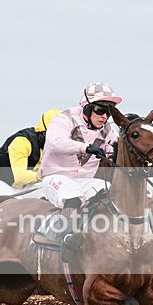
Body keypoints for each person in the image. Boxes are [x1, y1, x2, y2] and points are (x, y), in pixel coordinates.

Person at [38, 82, 121, 259]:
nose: (104, 116)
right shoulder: (63, 119)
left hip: (85, 181)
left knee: (113, 196)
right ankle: (64, 237)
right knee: (73, 197)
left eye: (109, 112)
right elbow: (55, 142)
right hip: (56, 177)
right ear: (87, 108)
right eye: (100, 110)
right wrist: (86, 148)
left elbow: (112, 152)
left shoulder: (109, 131)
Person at [0, 109, 61, 200]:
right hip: (0, 184)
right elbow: (20, 177)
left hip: (26, 186)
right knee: (19, 205)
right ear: (44, 133)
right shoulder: (22, 141)